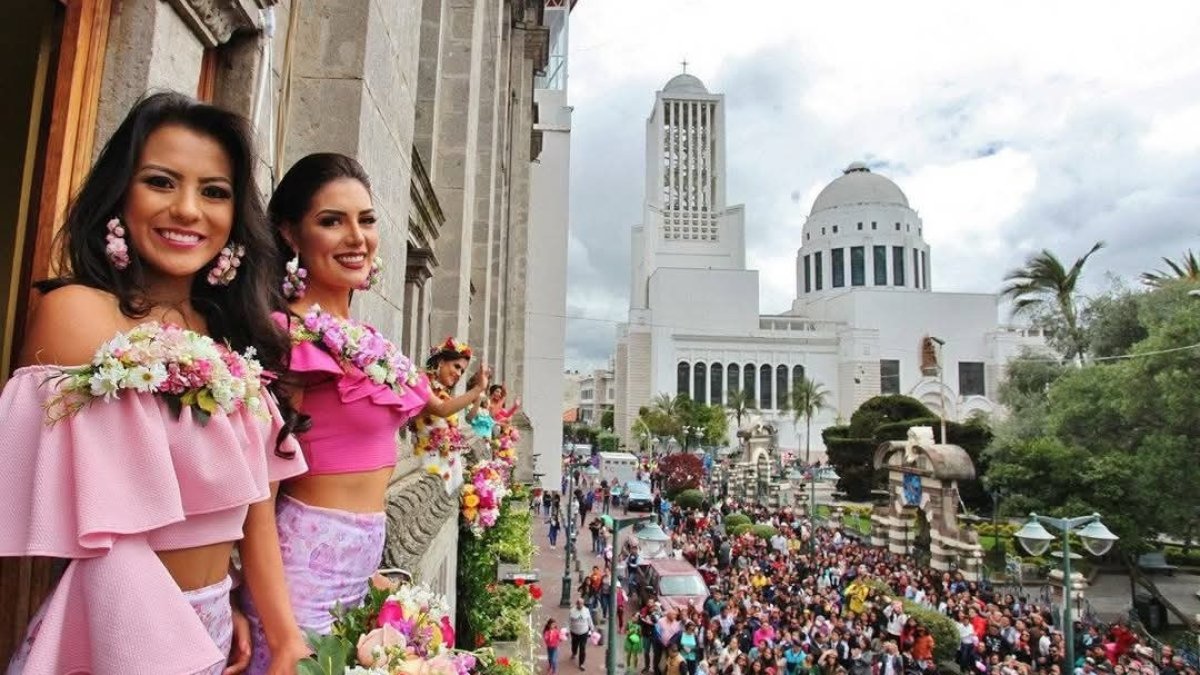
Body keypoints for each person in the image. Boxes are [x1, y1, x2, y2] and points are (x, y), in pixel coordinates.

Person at [1, 92, 310, 674]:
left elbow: (254, 509)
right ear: (121, 194)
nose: (189, 210)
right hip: (121, 625)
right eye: (162, 182)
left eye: (214, 192)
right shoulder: (76, 312)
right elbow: (106, 525)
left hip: (214, 621)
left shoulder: (234, 335)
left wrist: (281, 631)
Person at [239, 153, 489, 672]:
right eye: (332, 221)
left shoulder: (367, 340)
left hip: (359, 572)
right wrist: (284, 635)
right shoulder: (286, 339)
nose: (357, 237)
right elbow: (257, 501)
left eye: (366, 220)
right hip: (301, 580)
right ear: (290, 233)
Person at [569, 597, 596, 670]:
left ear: (583, 604)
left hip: (584, 632)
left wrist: (592, 628)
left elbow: (589, 620)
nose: (580, 605)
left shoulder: (586, 610)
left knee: (582, 648)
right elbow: (569, 621)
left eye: (581, 604)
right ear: (576, 604)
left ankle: (581, 664)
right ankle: (574, 653)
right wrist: (568, 630)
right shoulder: (572, 611)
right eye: (579, 604)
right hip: (574, 632)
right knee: (574, 645)